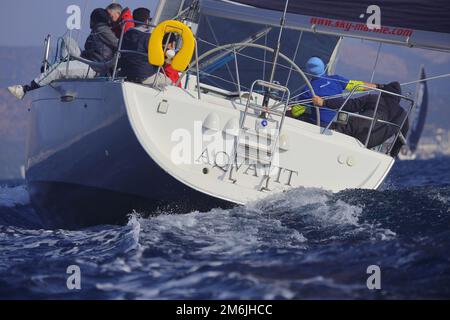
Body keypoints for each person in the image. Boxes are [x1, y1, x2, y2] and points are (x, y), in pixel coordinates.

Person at [7, 8, 116, 100]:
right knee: (66, 40)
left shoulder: (103, 30)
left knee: (57, 69)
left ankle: (25, 89)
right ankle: (61, 71)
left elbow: (117, 43)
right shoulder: (98, 30)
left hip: (94, 67)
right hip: (87, 60)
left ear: (94, 20)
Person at [312, 82, 409, 157]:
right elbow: (401, 140)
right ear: (398, 98)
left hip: (353, 130)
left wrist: (324, 102)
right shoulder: (403, 115)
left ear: (384, 93)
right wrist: (392, 155)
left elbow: (350, 105)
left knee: (323, 126)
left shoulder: (374, 98)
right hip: (369, 143)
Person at [291, 57, 380, 126]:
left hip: (319, 124)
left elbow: (296, 112)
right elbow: (357, 85)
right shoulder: (336, 79)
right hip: (337, 123)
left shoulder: (308, 89)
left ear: (307, 71)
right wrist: (377, 86)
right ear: (324, 67)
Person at [118, 8, 156, 83]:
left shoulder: (125, 35)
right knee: (169, 81)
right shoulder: (149, 37)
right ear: (147, 21)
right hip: (144, 76)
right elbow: (156, 57)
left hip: (125, 74)